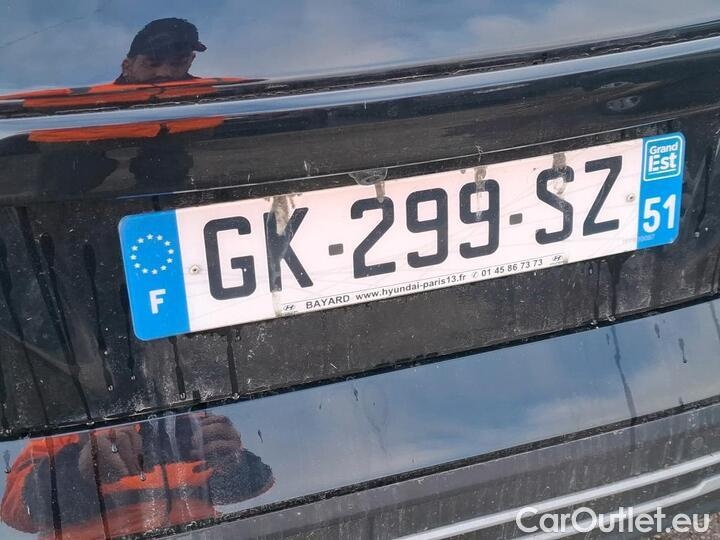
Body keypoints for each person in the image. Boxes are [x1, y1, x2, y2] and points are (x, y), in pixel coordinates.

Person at [0, 413, 274, 538]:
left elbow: (260, 484)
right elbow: (17, 511)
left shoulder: (186, 415)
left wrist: (232, 459)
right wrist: (79, 472)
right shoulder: (62, 420)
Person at [116, 18, 208, 84]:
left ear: (190, 61)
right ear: (127, 67)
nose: (165, 73)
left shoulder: (211, 96)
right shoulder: (107, 101)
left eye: (178, 63)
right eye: (152, 64)